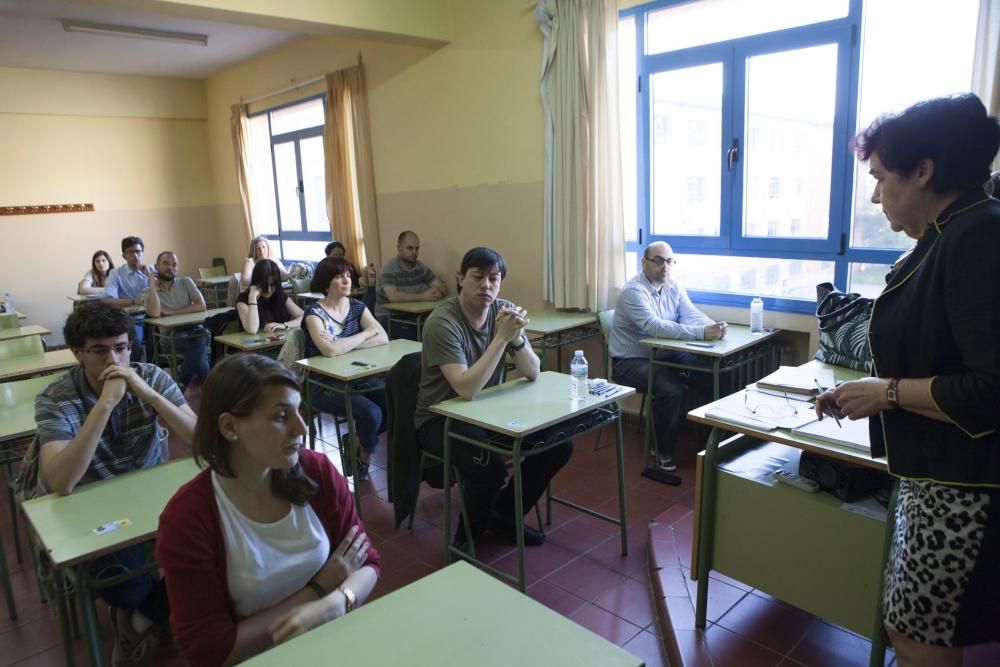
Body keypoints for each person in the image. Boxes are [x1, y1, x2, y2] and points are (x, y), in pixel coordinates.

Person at [815, 94, 1000, 667]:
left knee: (920, 636)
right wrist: (866, 390)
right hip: (933, 476)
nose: (875, 196)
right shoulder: (947, 234)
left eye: (880, 179)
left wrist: (886, 393)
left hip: (962, 487)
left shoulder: (975, 238)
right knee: (909, 628)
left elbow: (991, 388)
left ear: (924, 171)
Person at [157, 354, 379, 667]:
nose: (300, 428)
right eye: (280, 416)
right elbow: (208, 651)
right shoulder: (188, 519)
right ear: (230, 426)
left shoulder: (317, 471)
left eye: (299, 411)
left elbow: (367, 561)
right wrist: (317, 592)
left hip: (336, 640)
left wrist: (337, 604)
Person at [32, 301, 196, 665]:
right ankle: (145, 610)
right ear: (77, 352)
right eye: (100, 351)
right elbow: (61, 481)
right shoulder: (56, 399)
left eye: (121, 348)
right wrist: (104, 405)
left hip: (152, 499)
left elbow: (202, 442)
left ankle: (140, 620)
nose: (114, 361)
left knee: (219, 545)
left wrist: (149, 395)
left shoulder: (150, 376)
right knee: (128, 584)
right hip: (91, 508)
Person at [414, 247, 573, 549]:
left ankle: (504, 514)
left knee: (557, 444)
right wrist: (501, 337)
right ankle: (465, 539)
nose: (486, 285)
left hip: (487, 413)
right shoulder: (442, 322)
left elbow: (533, 371)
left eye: (493, 279)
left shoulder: (503, 310)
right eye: (477, 277)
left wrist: (515, 337)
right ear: (461, 279)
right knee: (489, 467)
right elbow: (465, 389)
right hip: (440, 418)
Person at [608, 241, 726, 472]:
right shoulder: (633, 292)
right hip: (630, 361)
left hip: (664, 355)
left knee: (713, 374)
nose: (665, 266)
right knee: (671, 390)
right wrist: (702, 333)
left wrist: (713, 326)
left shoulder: (672, 285)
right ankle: (661, 451)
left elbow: (689, 314)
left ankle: (713, 442)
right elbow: (656, 327)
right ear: (644, 263)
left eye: (669, 261)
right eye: (658, 260)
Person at [302, 257, 389, 480]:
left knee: (395, 402)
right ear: (325, 283)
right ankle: (363, 457)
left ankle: (356, 439)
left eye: (348, 275)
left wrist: (343, 343)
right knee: (372, 412)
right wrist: (364, 333)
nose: (346, 280)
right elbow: (329, 351)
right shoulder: (314, 313)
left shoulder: (358, 307)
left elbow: (383, 338)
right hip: (322, 384)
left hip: (356, 377)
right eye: (339, 277)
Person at [145, 251, 211, 392]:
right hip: (170, 337)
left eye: (174, 264)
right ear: (156, 266)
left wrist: (171, 312)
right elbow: (156, 313)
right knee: (201, 349)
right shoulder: (148, 291)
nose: (171, 267)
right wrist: (152, 286)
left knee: (203, 335)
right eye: (166, 263)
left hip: (194, 331)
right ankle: (210, 390)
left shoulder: (185, 281)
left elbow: (201, 305)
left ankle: (181, 383)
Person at [374, 231, 448, 318]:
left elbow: (441, 286)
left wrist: (438, 293)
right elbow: (393, 296)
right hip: (390, 317)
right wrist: (422, 296)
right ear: (399, 248)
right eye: (410, 248)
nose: (414, 252)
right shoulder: (388, 268)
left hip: (414, 315)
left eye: (417, 248)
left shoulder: (421, 267)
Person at [104, 236, 154, 361]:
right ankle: (134, 370)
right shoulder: (116, 274)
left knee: (160, 340)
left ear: (142, 253)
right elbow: (107, 301)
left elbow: (164, 295)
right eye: (130, 252)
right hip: (131, 319)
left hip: (154, 317)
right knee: (135, 340)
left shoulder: (151, 270)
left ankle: (154, 370)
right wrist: (133, 301)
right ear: (124, 256)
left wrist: (150, 277)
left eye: (138, 251)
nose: (135, 255)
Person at [236, 259, 304, 334]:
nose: (268, 290)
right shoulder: (243, 299)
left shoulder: (278, 295)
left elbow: (304, 317)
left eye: (272, 285)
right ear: (256, 282)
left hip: (278, 343)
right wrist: (252, 298)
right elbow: (252, 329)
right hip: (255, 345)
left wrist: (284, 325)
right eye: (264, 285)